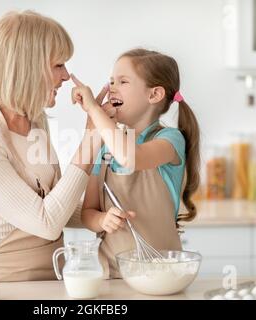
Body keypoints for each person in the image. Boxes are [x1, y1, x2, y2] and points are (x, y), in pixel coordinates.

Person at [0, 10, 106, 282]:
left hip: (53, 271)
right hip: (2, 282)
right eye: (58, 65)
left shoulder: (33, 118)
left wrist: (102, 214)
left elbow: (53, 202)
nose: (66, 76)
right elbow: (47, 221)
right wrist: (91, 137)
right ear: (28, 66)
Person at [71, 49, 201, 278]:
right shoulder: (104, 148)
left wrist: (93, 109)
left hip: (163, 275)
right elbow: (88, 213)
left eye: (123, 81)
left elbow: (131, 156)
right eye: (111, 80)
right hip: (111, 275)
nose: (112, 87)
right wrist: (102, 220)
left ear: (154, 95)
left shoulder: (170, 140)